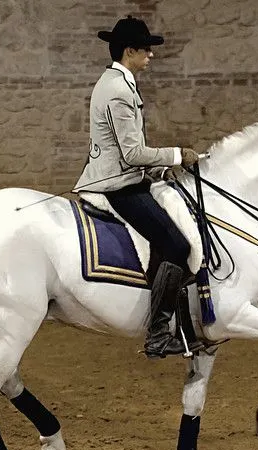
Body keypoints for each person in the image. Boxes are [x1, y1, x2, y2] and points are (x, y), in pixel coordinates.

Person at [73, 15, 200, 358]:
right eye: (146, 50)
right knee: (176, 245)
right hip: (118, 184)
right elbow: (131, 153)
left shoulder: (119, 82)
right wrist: (177, 155)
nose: (151, 56)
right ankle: (158, 332)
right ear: (129, 51)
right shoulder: (117, 89)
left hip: (125, 175)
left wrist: (159, 168)